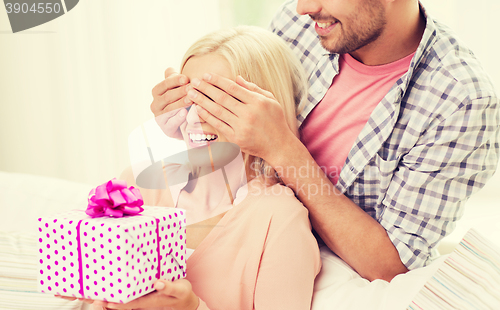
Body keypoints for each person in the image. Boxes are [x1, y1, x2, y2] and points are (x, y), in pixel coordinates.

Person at [150, 0, 500, 282]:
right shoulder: (304, 22)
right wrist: (193, 123)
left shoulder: (461, 100)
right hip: (252, 247)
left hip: (335, 280)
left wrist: (283, 149)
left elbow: (392, 266)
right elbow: (244, 158)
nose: (302, 7)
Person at [85, 26, 321, 310]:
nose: (194, 117)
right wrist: (112, 305)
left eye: (215, 101)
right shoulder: (136, 185)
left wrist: (189, 308)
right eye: (188, 98)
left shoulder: (280, 220)